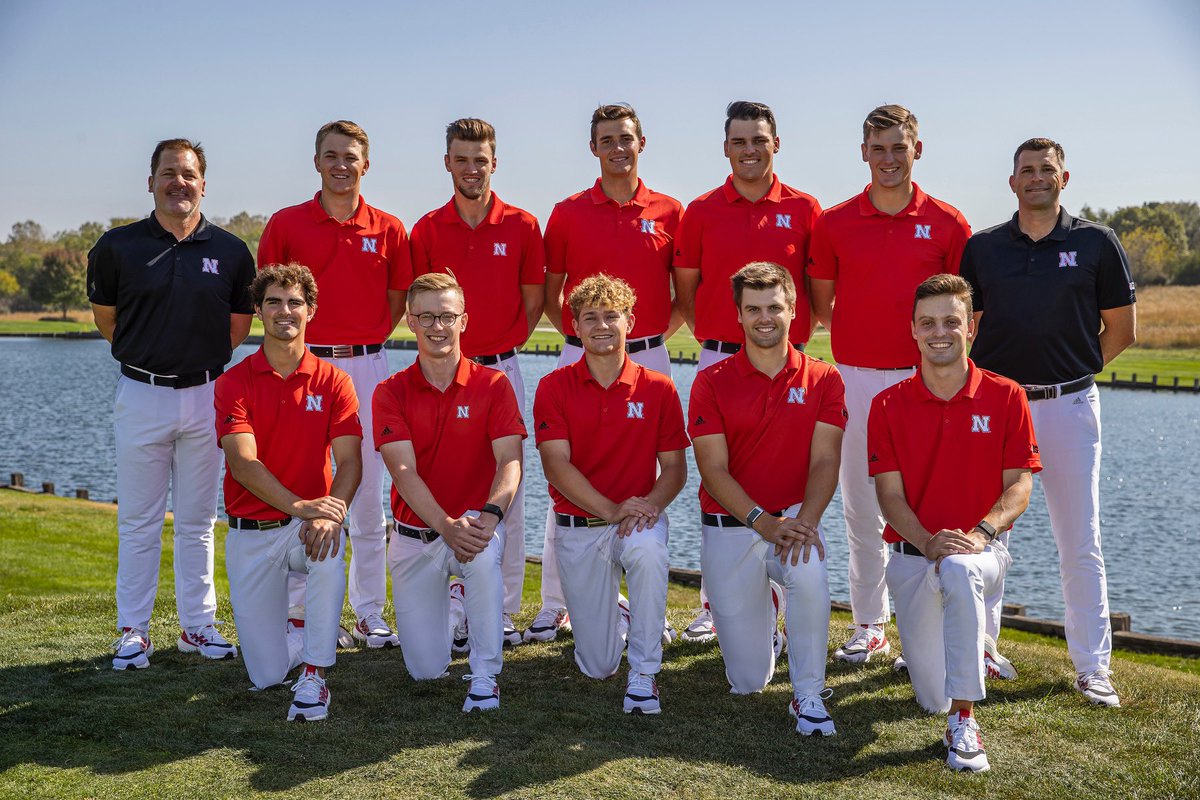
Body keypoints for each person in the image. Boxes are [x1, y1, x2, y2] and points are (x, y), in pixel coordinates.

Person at [961, 138, 1136, 707]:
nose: (1036, 178)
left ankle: (1092, 667)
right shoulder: (983, 248)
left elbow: (1121, 331)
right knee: (986, 532)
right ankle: (981, 649)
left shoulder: (1096, 243)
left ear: (1065, 178)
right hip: (997, 409)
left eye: (1047, 170)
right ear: (1012, 181)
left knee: (1079, 539)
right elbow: (972, 330)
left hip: (1069, 407)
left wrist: (1068, 378)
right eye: (1026, 170)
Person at [806, 105, 981, 670]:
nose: (888, 159)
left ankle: (941, 630)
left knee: (939, 501)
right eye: (877, 149)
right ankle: (869, 625)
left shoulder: (949, 223)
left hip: (925, 382)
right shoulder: (833, 223)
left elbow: (960, 308)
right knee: (861, 505)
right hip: (854, 379)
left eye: (898, 148)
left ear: (917, 150)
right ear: (863, 153)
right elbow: (823, 304)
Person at [88, 138, 254, 670]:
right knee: (138, 520)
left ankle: (198, 627)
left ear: (204, 183)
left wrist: (194, 367)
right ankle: (133, 629)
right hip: (140, 393)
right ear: (151, 181)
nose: (178, 182)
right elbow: (108, 321)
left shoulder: (230, 250)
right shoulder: (118, 247)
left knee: (199, 521)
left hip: (206, 395)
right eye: (168, 173)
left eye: (188, 173)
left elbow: (236, 328)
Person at [869, 273, 1040, 771]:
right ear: (914, 332)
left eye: (951, 320)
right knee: (929, 697)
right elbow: (889, 495)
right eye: (928, 323)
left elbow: (1020, 487)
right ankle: (967, 650)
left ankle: (964, 721)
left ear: (971, 327)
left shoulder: (1007, 396)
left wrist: (980, 533)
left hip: (980, 553)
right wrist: (927, 542)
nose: (939, 331)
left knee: (960, 571)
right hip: (910, 558)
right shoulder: (886, 404)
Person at [530, 103, 683, 644]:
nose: (618, 148)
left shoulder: (670, 210)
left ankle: (646, 599)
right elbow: (551, 293)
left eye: (626, 138)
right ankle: (554, 604)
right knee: (566, 477)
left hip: (649, 352)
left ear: (642, 142)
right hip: (581, 350)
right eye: (607, 140)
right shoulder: (568, 211)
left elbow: (683, 295)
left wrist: (650, 340)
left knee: (648, 473)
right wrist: (582, 338)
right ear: (593, 148)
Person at [258, 120, 412, 650]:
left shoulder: (389, 228)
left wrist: (364, 338)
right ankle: (300, 610)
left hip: (369, 366)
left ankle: (369, 610)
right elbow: (271, 298)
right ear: (316, 161)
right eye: (331, 155)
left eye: (350, 156)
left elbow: (396, 303)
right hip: (302, 367)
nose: (341, 165)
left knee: (367, 491)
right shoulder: (286, 224)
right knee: (305, 481)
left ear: (365, 164)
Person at [673, 100, 822, 645]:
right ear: (725, 147)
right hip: (719, 358)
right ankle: (719, 603)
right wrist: (722, 339)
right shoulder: (701, 210)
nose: (749, 150)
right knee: (718, 480)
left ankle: (781, 594)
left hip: (788, 363)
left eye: (759, 140)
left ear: (775, 143)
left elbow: (818, 294)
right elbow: (688, 295)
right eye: (739, 141)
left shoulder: (806, 209)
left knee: (785, 474)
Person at [689, 262, 845, 736]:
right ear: (737, 314)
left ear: (793, 310)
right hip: (734, 525)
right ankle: (771, 632)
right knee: (748, 681)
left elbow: (825, 463)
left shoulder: (824, 379)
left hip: (794, 518)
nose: (764, 317)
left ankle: (809, 695)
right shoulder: (710, 381)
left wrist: (805, 523)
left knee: (809, 567)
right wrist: (763, 522)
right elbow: (712, 471)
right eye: (753, 308)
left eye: (774, 307)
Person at [410, 118, 545, 649]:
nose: (471, 168)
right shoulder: (426, 229)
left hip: (498, 370)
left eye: (480, 158)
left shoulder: (523, 225)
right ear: (448, 162)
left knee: (506, 492)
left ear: (494, 161)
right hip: (438, 370)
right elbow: (415, 306)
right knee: (438, 478)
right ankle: (448, 602)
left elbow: (533, 302)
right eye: (461, 158)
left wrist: (500, 347)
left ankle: (502, 611)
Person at [534, 275, 689, 714]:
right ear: (576, 328)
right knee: (597, 665)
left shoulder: (659, 387)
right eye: (590, 318)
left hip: (636, 521)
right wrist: (611, 509)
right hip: (580, 526)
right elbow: (555, 467)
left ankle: (645, 673)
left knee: (648, 551)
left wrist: (649, 507)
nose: (602, 326)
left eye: (611, 316)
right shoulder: (553, 386)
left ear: (630, 322)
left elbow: (675, 469)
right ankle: (625, 614)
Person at [215, 264, 362, 722]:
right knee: (265, 675)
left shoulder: (334, 380)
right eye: (274, 302)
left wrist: (329, 513)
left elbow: (351, 461)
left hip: (306, 530)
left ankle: (316, 673)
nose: (285, 311)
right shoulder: (233, 381)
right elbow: (242, 464)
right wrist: (302, 505)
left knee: (328, 550)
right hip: (251, 532)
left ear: (311, 311)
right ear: (258, 310)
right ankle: (300, 632)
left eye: (295, 302)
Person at [374, 273, 525, 712]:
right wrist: (445, 527)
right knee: (425, 669)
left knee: (480, 554)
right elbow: (402, 472)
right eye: (426, 317)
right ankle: (456, 606)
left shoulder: (494, 385)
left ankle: (484, 674)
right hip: (416, 536)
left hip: (475, 526)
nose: (437, 327)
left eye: (446, 316)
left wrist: (489, 518)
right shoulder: (390, 390)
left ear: (464, 321)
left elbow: (510, 462)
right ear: (409, 320)